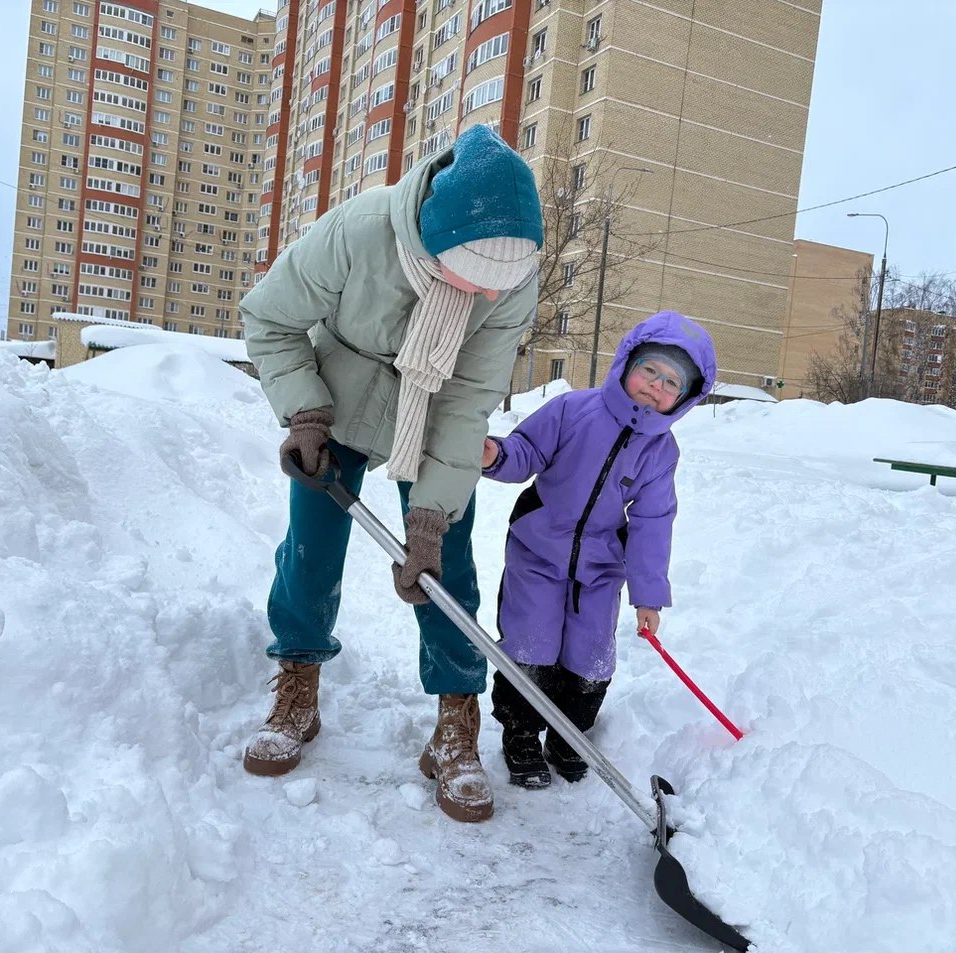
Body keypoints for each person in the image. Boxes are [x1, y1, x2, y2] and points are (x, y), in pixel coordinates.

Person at [237, 124, 543, 823]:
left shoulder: (511, 278)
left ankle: (455, 719)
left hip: (434, 411)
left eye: (502, 282)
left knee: (448, 564)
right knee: (309, 551)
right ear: (433, 238)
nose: (484, 294)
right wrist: (305, 414)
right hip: (337, 393)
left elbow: (467, 402)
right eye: (472, 273)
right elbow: (269, 320)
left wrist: (430, 515)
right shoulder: (360, 231)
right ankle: (297, 686)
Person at [479, 311, 716, 787]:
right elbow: (526, 451)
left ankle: (570, 734)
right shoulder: (574, 409)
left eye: (672, 382)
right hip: (538, 550)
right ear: (627, 363)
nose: (656, 385)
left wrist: (648, 596)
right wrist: (497, 455)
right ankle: (521, 732)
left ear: (685, 399)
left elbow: (652, 522)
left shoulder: (661, 452)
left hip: (601, 565)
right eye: (650, 369)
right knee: (531, 642)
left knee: (591, 655)